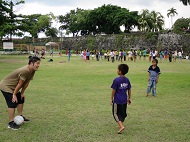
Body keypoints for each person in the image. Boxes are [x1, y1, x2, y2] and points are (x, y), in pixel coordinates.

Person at [0, 56, 41, 130]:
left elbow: (26, 82)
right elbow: (20, 83)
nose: (38, 65)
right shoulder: (25, 70)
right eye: (37, 63)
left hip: (13, 87)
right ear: (31, 63)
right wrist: (14, 94)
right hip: (6, 86)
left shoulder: (33, 70)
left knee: (21, 99)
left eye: (39, 63)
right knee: (12, 102)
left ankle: (20, 116)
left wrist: (22, 93)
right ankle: (11, 123)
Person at [110, 64, 132, 134]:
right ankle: (120, 124)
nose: (117, 70)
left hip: (117, 100)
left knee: (115, 113)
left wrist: (111, 98)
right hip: (124, 100)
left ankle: (121, 126)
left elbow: (114, 90)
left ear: (120, 71)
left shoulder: (116, 80)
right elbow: (129, 90)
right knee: (122, 113)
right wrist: (129, 98)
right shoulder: (127, 80)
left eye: (118, 69)